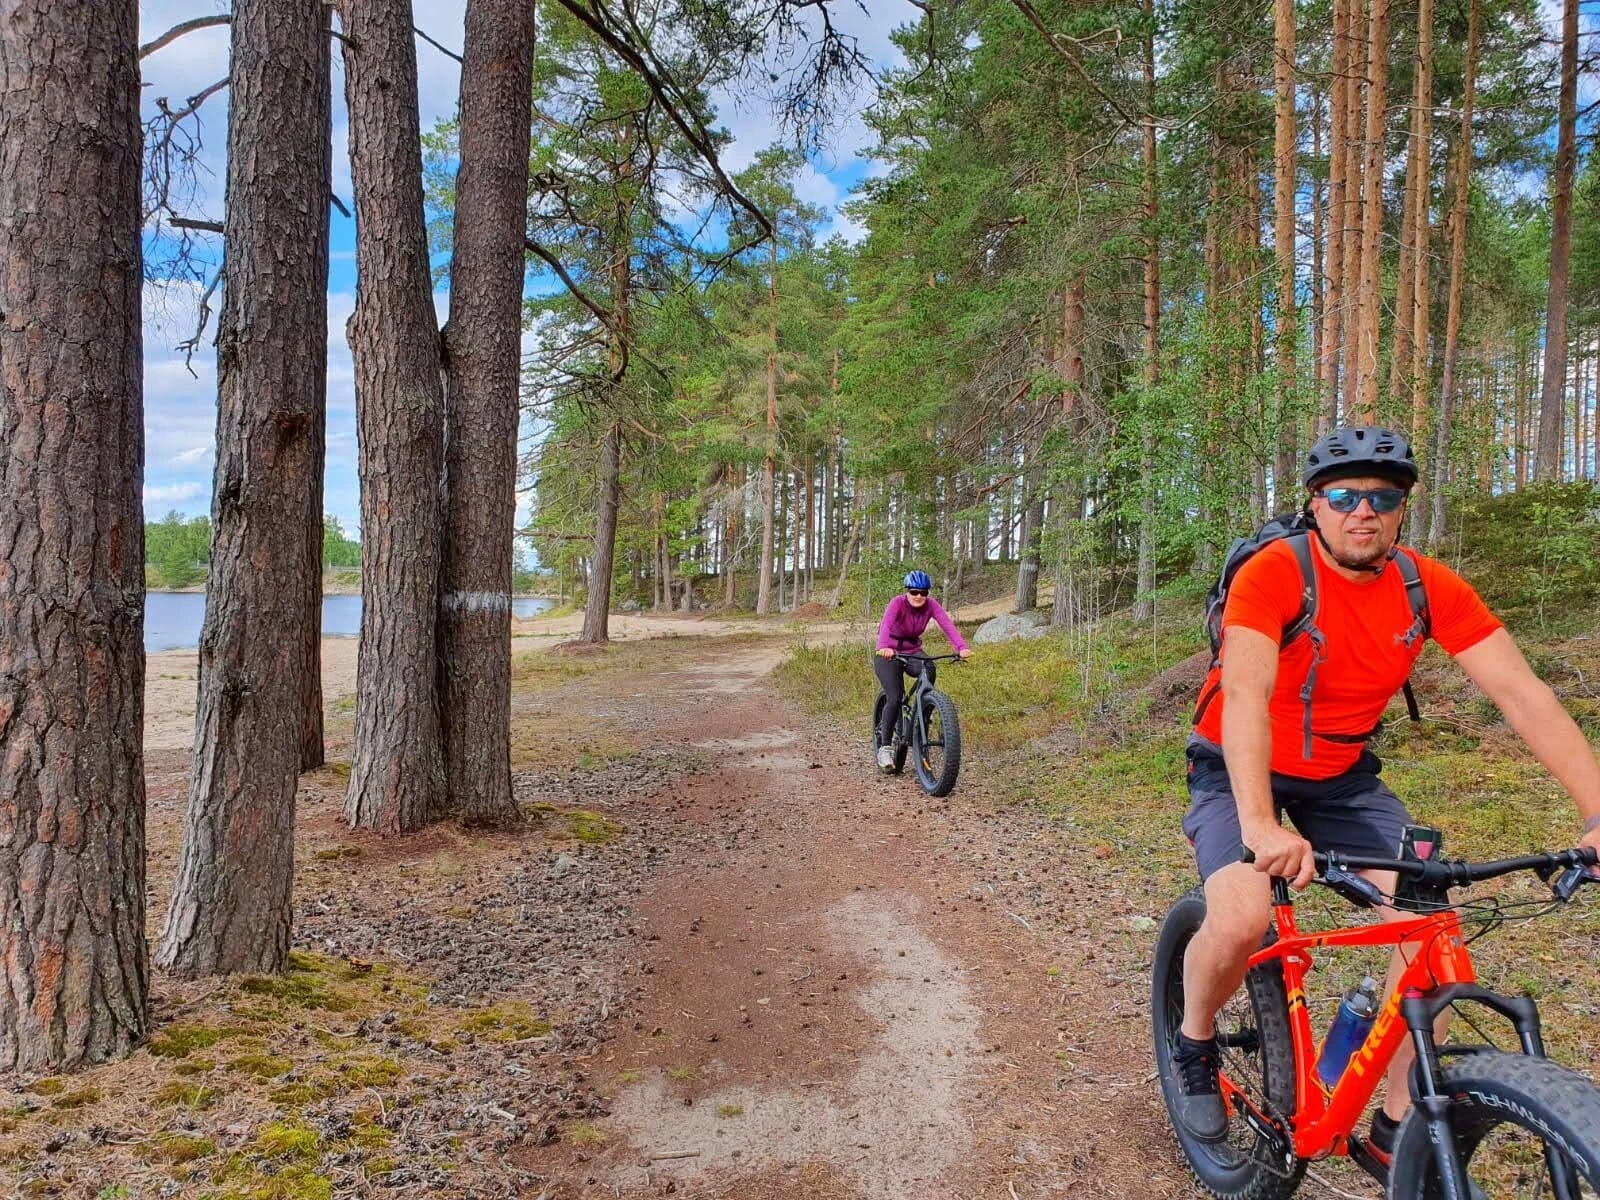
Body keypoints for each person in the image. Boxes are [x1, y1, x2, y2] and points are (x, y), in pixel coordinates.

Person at [1172, 425, 1600, 1162]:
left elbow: (1524, 697)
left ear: (1403, 508)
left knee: (1430, 931)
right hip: (1234, 764)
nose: (1363, 511)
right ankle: (1194, 1042)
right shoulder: (1276, 573)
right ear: (1316, 504)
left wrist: (1596, 810)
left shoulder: (1427, 587)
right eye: (1344, 496)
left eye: (1384, 497)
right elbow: (1245, 695)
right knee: (1242, 917)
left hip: (1339, 775)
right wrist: (1260, 824)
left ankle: (1398, 1131)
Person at [874, 570, 972, 769]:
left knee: (929, 667)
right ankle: (885, 748)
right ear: (907, 591)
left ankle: (923, 710)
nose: (919, 596)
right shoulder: (897, 603)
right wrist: (883, 647)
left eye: (923, 592)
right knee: (895, 696)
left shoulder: (931, 605)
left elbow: (947, 625)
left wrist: (961, 647)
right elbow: (886, 625)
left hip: (913, 651)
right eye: (914, 592)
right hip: (888, 652)